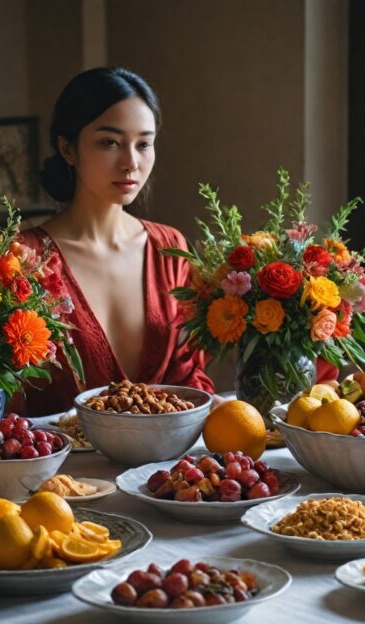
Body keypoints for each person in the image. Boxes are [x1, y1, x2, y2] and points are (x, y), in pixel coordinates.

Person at [18, 67, 214, 415]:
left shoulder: (169, 248)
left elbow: (189, 376)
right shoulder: (23, 258)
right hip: (56, 466)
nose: (131, 163)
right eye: (109, 142)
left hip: (165, 464)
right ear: (68, 148)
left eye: (144, 144)